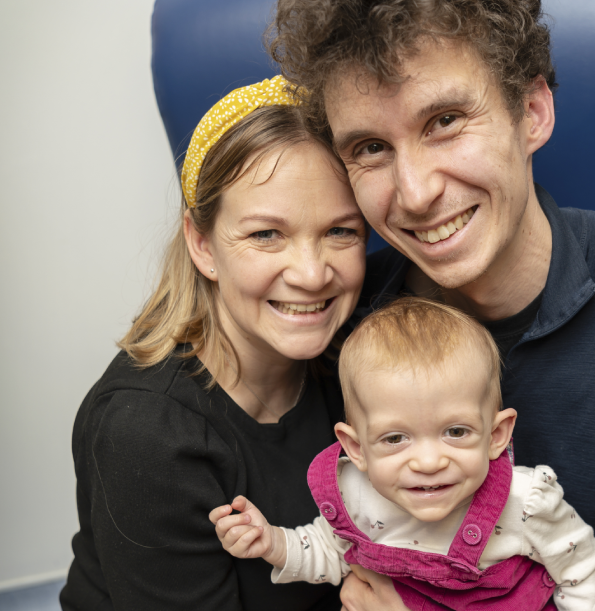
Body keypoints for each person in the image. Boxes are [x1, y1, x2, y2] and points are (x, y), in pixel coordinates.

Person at [267, 0, 595, 610]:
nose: (414, 194)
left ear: (531, 111)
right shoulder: (344, 315)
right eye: (370, 149)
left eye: (444, 121)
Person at [60, 76, 367, 611]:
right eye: (266, 234)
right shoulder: (145, 432)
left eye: (341, 231)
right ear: (202, 245)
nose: (314, 274)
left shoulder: (356, 360)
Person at [211, 298, 595, 611]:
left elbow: (579, 567)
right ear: (356, 449)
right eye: (395, 439)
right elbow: (330, 553)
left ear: (497, 435)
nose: (427, 462)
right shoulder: (354, 494)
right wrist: (271, 543)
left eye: (455, 432)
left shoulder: (525, 502)